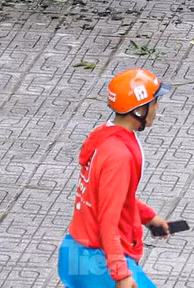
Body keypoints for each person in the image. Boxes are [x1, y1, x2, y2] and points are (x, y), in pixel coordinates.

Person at [58, 68, 171, 288]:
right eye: (154, 102)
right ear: (139, 109)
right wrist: (120, 273)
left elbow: (112, 196)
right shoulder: (119, 155)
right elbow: (107, 219)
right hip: (97, 262)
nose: (157, 108)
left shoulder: (104, 136)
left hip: (76, 253)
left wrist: (148, 218)